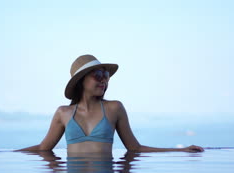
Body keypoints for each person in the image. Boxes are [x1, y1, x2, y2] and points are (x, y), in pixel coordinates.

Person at [16, 54, 203, 153]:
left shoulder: (114, 108)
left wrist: (181, 151)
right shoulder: (63, 113)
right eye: (97, 75)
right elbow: (43, 148)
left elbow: (135, 148)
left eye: (106, 76)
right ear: (81, 81)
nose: (103, 80)